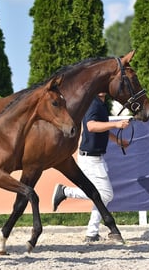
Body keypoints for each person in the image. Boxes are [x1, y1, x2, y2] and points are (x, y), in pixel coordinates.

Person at [51, 92, 130, 243]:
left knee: (102, 198)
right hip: (90, 159)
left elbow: (102, 129)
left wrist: (117, 140)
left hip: (96, 157)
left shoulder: (100, 104)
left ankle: (92, 233)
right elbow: (91, 126)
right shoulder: (93, 103)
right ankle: (65, 191)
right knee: (105, 195)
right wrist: (116, 124)